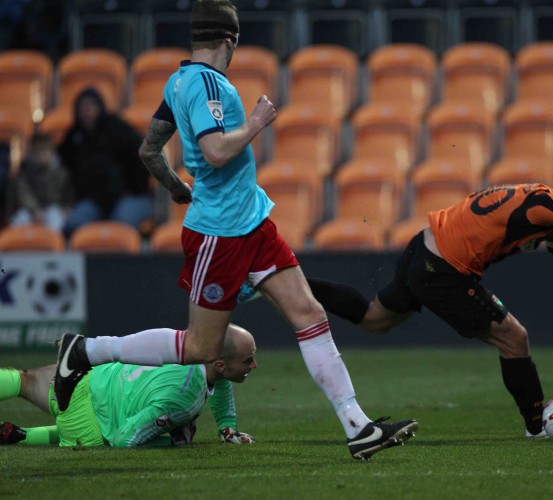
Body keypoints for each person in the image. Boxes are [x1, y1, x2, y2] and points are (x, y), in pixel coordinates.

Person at [53, 0, 416, 461]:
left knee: (310, 313)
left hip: (253, 223)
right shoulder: (208, 83)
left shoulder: (178, 80)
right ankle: (86, 351)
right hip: (220, 233)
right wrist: (256, 123)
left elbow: (149, 150)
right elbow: (218, 151)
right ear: (231, 40)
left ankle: (357, 426)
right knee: (202, 347)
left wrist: (177, 188)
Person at [296, 174, 553, 437]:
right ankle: (538, 427)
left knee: (373, 319)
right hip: (444, 268)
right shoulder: (547, 205)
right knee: (515, 338)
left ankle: (285, 282)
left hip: (422, 248)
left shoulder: (544, 214)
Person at [0, 323, 256, 448]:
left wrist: (227, 427)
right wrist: (174, 443)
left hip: (86, 377)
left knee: (21, 380)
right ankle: (26, 437)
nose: (254, 365)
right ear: (220, 365)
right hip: (87, 426)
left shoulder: (192, 349)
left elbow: (219, 381)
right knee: (102, 430)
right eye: (248, 360)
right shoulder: (185, 400)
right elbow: (125, 439)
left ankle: (20, 435)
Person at [59, 87, 153, 237]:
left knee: (121, 223)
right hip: (93, 201)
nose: (87, 111)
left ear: (100, 107)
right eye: (82, 108)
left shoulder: (119, 130)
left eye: (91, 106)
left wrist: (132, 190)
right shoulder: (73, 137)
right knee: (74, 223)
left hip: (131, 196)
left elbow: (143, 161)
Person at [8, 133, 74, 232]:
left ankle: (54, 245)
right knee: (19, 220)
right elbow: (24, 194)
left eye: (45, 152)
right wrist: (35, 210)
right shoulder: (26, 171)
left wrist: (67, 207)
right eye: (38, 153)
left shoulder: (61, 172)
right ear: (32, 154)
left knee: (56, 221)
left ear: (52, 153)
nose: (42, 156)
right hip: (32, 209)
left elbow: (69, 192)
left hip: (54, 207)